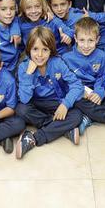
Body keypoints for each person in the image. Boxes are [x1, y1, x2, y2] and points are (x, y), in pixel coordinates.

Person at [15, 26, 84, 159]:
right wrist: (29, 74)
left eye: (45, 50)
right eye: (35, 49)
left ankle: (34, 138)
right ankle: (62, 128)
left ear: (51, 50)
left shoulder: (57, 63)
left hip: (55, 103)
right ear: (29, 49)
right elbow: (24, 99)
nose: (40, 55)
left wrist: (65, 105)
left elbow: (77, 85)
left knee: (77, 115)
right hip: (35, 104)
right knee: (21, 109)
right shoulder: (24, 67)